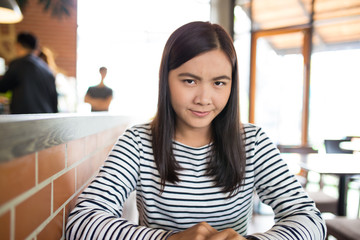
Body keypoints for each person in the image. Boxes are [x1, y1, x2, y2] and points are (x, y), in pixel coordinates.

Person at [66, 21, 326, 239]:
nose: (204, 98)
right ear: (165, 80)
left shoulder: (253, 143)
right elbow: (80, 223)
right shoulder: (138, 142)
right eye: (190, 81)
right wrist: (167, 239)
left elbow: (311, 220)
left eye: (219, 83)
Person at [0, 32, 58, 114]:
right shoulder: (46, 68)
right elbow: (54, 99)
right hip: (45, 118)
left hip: (26, 119)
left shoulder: (18, 64)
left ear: (18, 45)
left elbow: (3, 86)